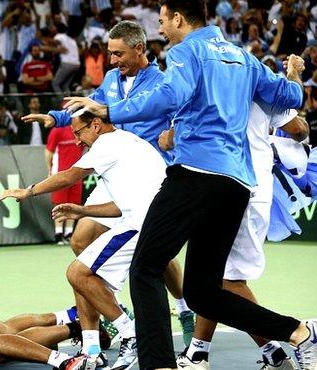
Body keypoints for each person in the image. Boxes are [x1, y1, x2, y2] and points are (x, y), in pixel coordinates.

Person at [61, 1, 315, 369]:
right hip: (237, 185)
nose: (160, 29)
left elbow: (168, 97)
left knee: (146, 267)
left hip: (196, 173)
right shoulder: (243, 57)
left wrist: (109, 111)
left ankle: (159, 364)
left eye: (162, 21)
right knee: (202, 293)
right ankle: (300, 333)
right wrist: (292, 73)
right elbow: (292, 97)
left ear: (178, 18)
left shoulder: (185, 51)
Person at [22, 20, 194, 347]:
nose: (112, 61)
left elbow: (171, 120)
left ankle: (185, 309)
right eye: (110, 54)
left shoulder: (161, 82)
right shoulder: (113, 79)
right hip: (114, 170)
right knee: (80, 238)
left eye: (118, 54)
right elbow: (91, 109)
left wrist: (172, 140)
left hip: (149, 176)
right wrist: (55, 118)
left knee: (156, 249)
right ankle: (109, 308)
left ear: (139, 49)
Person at [0, 110, 167, 370]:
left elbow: (68, 175)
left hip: (142, 225)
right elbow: (123, 205)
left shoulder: (108, 143)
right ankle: (92, 350)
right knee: (85, 275)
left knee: (78, 273)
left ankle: (130, 333)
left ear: (97, 125)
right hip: (144, 220)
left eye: (78, 133)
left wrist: (29, 191)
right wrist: (82, 210)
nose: (76, 141)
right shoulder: (128, 143)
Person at [169, 105, 308, 369]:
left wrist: (170, 137)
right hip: (245, 188)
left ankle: (295, 338)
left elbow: (178, 136)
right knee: (214, 278)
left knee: (226, 280)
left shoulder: (224, 84)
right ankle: (199, 353)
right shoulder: (262, 83)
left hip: (237, 188)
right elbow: (299, 129)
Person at [45, 125, 83, 244]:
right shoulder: (57, 130)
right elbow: (49, 151)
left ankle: (68, 233)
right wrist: (49, 169)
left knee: (74, 203)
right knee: (59, 203)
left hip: (77, 172)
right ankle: (58, 234)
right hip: (60, 173)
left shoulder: (81, 128)